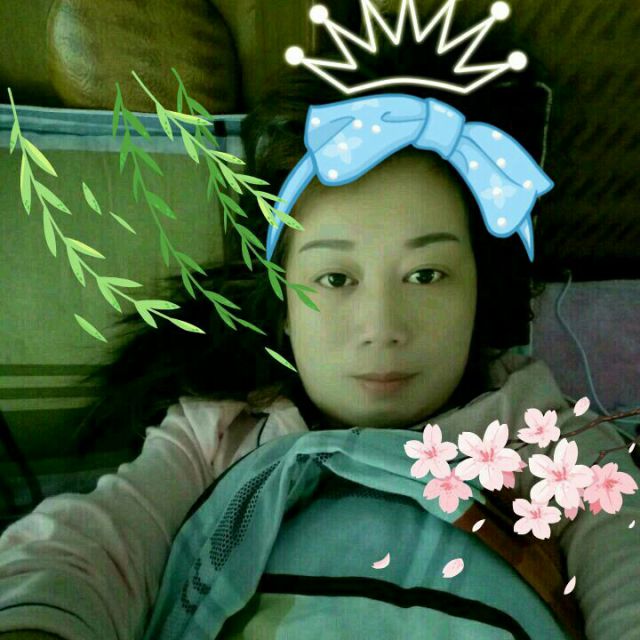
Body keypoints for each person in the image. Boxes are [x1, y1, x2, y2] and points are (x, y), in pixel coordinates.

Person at [0, 33, 638, 640]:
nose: (383, 328)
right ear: (283, 304)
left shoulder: (540, 429)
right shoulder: (213, 439)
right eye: (335, 278)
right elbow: (84, 552)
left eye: (426, 274)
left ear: (477, 291)